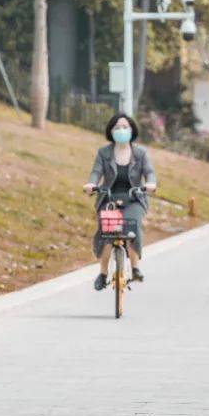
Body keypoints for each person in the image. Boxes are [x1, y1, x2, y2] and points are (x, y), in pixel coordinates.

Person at [83, 113, 157, 291]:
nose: (121, 130)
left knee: (132, 227)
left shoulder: (140, 153)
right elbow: (96, 172)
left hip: (133, 198)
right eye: (117, 127)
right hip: (109, 197)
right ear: (111, 131)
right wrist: (92, 184)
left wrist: (150, 184)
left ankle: (135, 268)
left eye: (125, 127)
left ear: (132, 130)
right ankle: (102, 273)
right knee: (108, 232)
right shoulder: (104, 153)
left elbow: (149, 172)